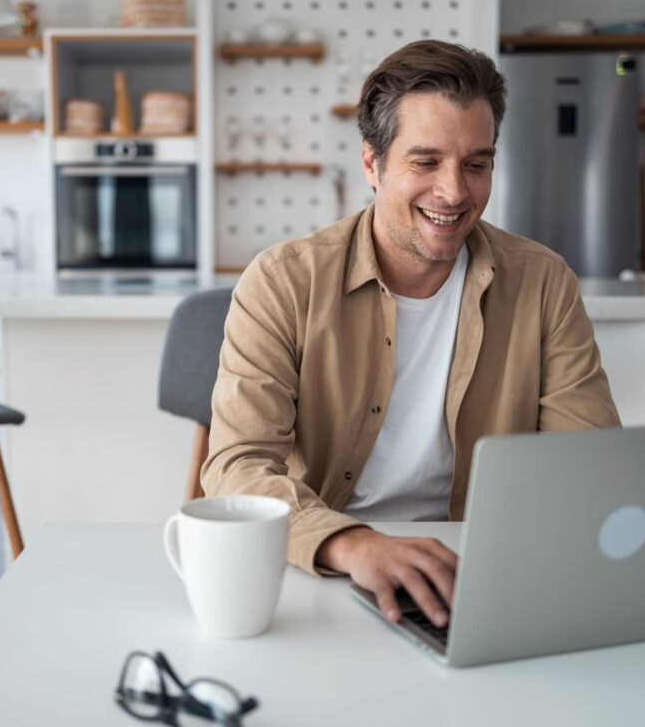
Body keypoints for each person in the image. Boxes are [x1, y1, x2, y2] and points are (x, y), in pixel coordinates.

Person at [201, 40, 620, 629]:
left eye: (477, 164)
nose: (453, 192)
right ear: (372, 164)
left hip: (480, 575)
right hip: (326, 571)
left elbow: (589, 464)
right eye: (425, 162)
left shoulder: (544, 283)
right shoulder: (282, 281)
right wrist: (355, 544)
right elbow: (239, 466)